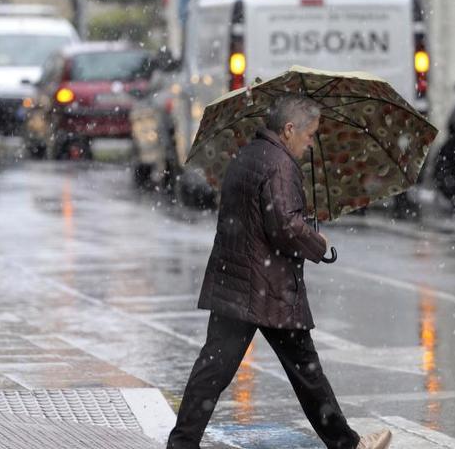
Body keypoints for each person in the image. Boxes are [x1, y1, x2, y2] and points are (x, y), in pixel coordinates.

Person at [167, 94, 392, 449]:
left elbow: (256, 217)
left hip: (235, 279)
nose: (310, 142)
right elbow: (284, 226)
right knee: (306, 371)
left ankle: (181, 443)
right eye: (308, 134)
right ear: (289, 129)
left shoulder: (248, 155)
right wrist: (318, 242)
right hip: (268, 287)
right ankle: (347, 445)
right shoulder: (280, 164)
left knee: (214, 369)